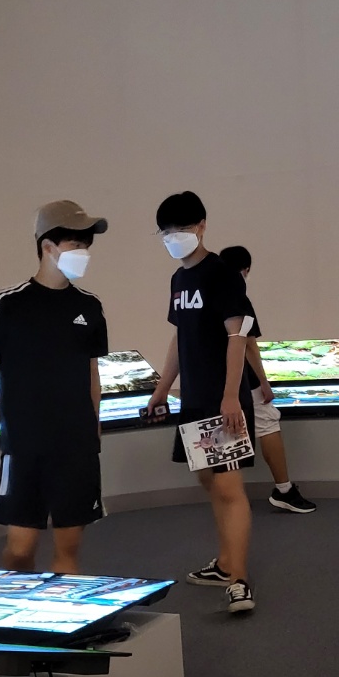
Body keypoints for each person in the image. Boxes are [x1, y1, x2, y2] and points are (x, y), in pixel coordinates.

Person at [0, 201, 109, 575]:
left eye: (86, 244)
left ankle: (66, 613)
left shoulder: (90, 307)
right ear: (47, 246)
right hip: (24, 449)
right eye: (75, 243)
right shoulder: (6, 304)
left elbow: (91, 373)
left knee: (68, 552)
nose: (84, 252)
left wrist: (94, 425)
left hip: (76, 447)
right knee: (19, 551)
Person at [145, 192, 257, 614]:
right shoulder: (178, 280)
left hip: (221, 400)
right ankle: (225, 561)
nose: (174, 237)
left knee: (228, 487)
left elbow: (237, 337)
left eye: (183, 228)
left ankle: (239, 580)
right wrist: (162, 388)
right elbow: (180, 336)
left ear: (203, 226)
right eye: (167, 231)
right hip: (192, 400)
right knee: (209, 481)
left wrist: (230, 396)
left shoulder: (222, 274)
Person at [217, 245, 316, 514]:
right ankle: (284, 490)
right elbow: (248, 344)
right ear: (246, 269)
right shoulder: (238, 298)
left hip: (212, 379)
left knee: (223, 434)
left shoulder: (205, 295)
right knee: (268, 423)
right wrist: (263, 381)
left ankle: (228, 498)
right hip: (242, 381)